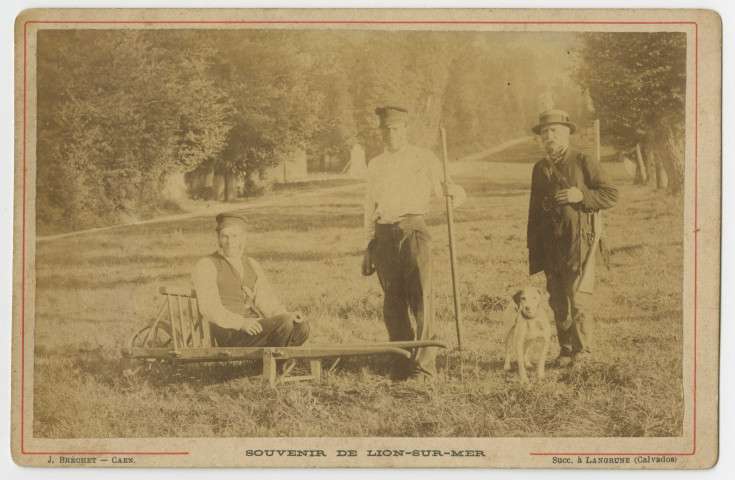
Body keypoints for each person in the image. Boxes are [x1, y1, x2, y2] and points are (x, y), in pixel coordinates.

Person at [362, 106, 466, 382]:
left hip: (413, 231)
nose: (390, 134)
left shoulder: (424, 158)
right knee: (392, 303)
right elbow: (369, 206)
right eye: (385, 129)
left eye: (395, 128)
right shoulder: (375, 164)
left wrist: (453, 192)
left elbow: (451, 188)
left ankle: (423, 367)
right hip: (383, 236)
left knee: (421, 299)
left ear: (406, 129)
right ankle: (401, 360)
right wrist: (368, 243)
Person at [527, 109, 618, 366]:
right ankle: (566, 351)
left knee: (578, 298)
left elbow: (611, 194)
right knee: (557, 299)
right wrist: (535, 249)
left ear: (567, 132)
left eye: (554, 130)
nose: (549, 135)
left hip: (579, 243)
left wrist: (582, 197)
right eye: (545, 132)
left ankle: (584, 352)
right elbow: (533, 211)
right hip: (549, 245)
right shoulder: (540, 168)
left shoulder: (583, 161)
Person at [192, 213, 309, 348]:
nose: (230, 242)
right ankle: (275, 366)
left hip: (254, 327)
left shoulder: (252, 264)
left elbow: (267, 301)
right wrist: (241, 323)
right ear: (218, 238)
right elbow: (209, 307)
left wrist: (286, 314)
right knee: (284, 323)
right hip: (230, 332)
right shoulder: (207, 264)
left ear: (243, 238)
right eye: (225, 236)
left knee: (301, 328)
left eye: (235, 236)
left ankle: (266, 365)